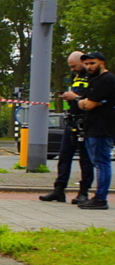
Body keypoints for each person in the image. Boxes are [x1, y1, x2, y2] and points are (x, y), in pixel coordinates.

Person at [40, 51, 94, 203]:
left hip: (86, 123)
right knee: (64, 157)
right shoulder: (75, 77)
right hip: (72, 123)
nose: (72, 69)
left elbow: (94, 98)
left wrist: (76, 97)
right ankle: (59, 190)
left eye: (74, 66)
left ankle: (83, 193)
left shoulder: (93, 77)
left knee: (85, 160)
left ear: (83, 62)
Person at [75, 51, 115, 210]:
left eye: (92, 63)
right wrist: (86, 102)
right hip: (93, 127)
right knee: (98, 162)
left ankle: (100, 198)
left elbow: (88, 105)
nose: (89, 67)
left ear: (102, 63)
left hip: (102, 128)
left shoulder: (106, 80)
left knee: (102, 163)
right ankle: (99, 196)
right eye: (86, 64)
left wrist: (86, 102)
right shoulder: (94, 80)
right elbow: (83, 102)